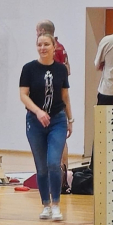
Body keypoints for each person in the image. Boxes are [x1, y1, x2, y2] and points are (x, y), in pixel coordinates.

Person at [19, 33, 73, 221]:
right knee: (41, 167)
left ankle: (57, 204)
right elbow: (23, 95)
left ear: (54, 46)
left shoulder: (61, 70)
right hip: (35, 122)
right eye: (40, 44)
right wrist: (38, 112)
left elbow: (65, 96)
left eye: (46, 44)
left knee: (53, 163)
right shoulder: (28, 69)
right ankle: (46, 205)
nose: (43, 48)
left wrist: (70, 119)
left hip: (57, 120)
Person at [37, 20, 72, 190]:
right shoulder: (61, 47)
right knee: (59, 137)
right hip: (55, 96)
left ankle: (61, 174)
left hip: (54, 99)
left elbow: (61, 72)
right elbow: (68, 69)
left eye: (37, 31)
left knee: (57, 137)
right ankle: (62, 172)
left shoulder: (54, 50)